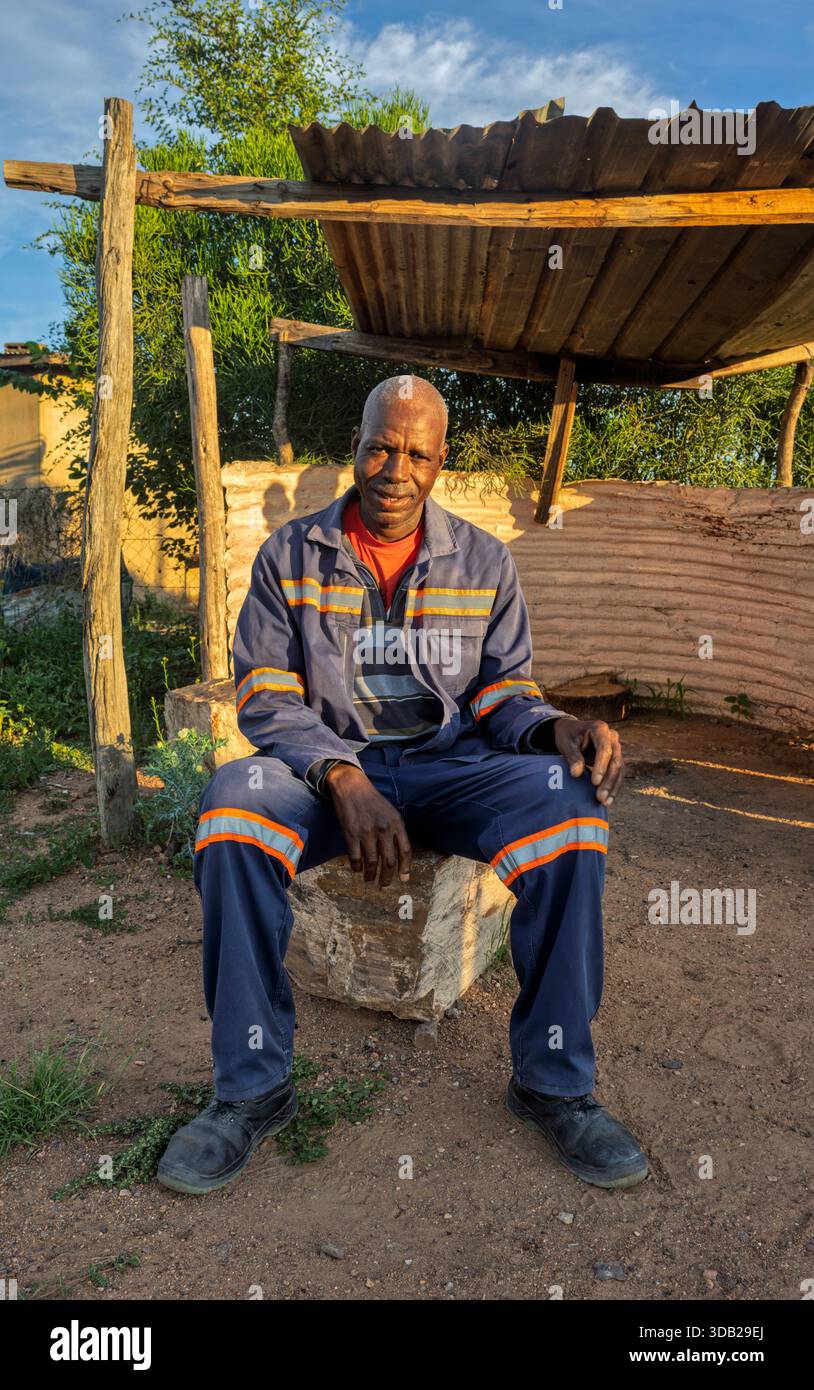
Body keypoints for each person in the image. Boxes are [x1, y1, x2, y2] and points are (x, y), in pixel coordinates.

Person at [157, 375, 647, 1195]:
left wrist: (556, 728)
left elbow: (501, 695)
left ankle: (553, 1084)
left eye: (417, 452)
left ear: (440, 461)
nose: (396, 467)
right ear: (356, 443)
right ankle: (251, 1090)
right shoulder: (291, 553)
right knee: (232, 805)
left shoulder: (485, 561)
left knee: (570, 804)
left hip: (451, 769)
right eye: (382, 445)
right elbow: (266, 694)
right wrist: (341, 774)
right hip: (324, 773)